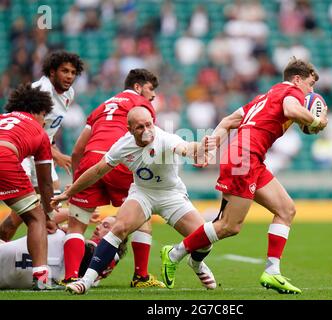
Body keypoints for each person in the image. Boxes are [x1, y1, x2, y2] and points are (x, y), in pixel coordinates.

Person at [159, 57, 328, 294]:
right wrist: (317, 120)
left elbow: (228, 121)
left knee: (286, 210)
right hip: (243, 157)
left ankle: (272, 272)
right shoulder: (291, 91)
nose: (311, 91)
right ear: (297, 79)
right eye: (310, 84)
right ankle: (175, 252)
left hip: (250, 158)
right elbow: (292, 109)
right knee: (229, 225)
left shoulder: (265, 97)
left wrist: (210, 148)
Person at [51, 107, 217, 294]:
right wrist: (69, 192)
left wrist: (200, 148)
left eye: (149, 125)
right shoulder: (123, 145)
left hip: (171, 195)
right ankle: (85, 282)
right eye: (140, 127)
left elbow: (186, 148)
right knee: (119, 228)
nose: (146, 131)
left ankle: (196, 264)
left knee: (204, 240)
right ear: (129, 129)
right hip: (143, 193)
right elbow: (98, 170)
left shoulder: (166, 139)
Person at [62, 69, 164, 288]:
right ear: (138, 87)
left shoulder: (101, 106)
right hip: (118, 160)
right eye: (150, 89)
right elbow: (147, 140)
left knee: (76, 226)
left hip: (90, 161)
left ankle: (70, 276)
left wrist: (78, 179)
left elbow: (77, 150)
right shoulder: (140, 105)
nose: (153, 95)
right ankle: (141, 276)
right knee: (143, 212)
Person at [0, 50, 84, 242]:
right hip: (23, 154)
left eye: (73, 72)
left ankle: (36, 256)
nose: (69, 76)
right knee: (33, 212)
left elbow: (47, 131)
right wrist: (57, 155)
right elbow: (23, 128)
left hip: (42, 152)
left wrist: (55, 151)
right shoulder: (39, 92)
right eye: (64, 71)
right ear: (51, 72)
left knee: (42, 209)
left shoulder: (68, 94)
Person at [0, 83, 56, 290]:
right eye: (45, 117)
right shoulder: (39, 132)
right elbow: (45, 182)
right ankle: (41, 279)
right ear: (40, 111)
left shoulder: (2, 119)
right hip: (4, 158)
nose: (44, 121)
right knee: (35, 217)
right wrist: (49, 214)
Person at [0, 216, 127, 289]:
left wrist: (77, 214)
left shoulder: (63, 235)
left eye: (105, 226)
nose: (98, 227)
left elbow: (38, 214)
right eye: (100, 224)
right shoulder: (67, 237)